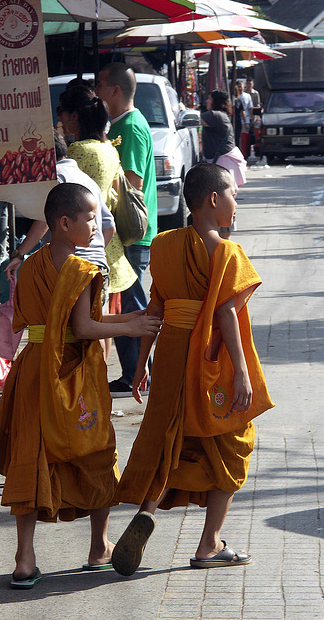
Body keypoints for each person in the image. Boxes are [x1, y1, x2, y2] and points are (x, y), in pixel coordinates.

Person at [0, 183, 162, 588]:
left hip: (33, 369)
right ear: (64, 223)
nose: (97, 225)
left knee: (32, 459)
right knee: (95, 452)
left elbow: (48, 324)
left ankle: (24, 560)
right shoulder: (82, 269)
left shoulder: (30, 265)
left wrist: (134, 320)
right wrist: (133, 325)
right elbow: (83, 327)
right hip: (72, 371)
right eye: (91, 217)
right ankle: (99, 548)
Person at [110, 163, 274, 577]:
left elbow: (156, 307)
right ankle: (209, 543)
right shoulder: (227, 252)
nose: (237, 204)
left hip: (169, 352)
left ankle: (148, 510)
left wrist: (142, 361)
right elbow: (226, 315)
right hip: (209, 359)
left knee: (175, 435)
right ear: (213, 200)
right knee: (233, 440)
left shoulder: (164, 244)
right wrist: (240, 371)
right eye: (233, 195)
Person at [57, 84, 137, 359]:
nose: (60, 120)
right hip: (105, 244)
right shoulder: (109, 149)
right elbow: (113, 197)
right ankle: (100, 384)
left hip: (81, 244)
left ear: (73, 116)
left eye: (61, 112)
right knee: (100, 318)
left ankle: (95, 388)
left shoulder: (76, 153)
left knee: (88, 325)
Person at [95, 62, 157, 397]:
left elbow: (132, 182)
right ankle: (136, 371)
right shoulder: (119, 124)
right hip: (122, 235)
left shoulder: (131, 127)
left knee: (133, 304)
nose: (96, 90)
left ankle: (139, 373)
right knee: (126, 302)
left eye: (100, 83)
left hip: (131, 233)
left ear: (115, 90)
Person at [5, 131, 114, 312]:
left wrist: (19, 254)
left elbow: (43, 221)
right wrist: (95, 254)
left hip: (75, 269)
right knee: (94, 327)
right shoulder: (87, 180)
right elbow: (110, 228)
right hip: (99, 267)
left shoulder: (56, 178)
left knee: (76, 329)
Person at [201, 88, 247, 239]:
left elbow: (196, 119)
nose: (207, 101)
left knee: (223, 203)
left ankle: (224, 244)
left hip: (222, 166)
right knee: (222, 203)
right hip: (222, 165)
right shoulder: (221, 116)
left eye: (209, 99)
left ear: (215, 101)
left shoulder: (215, 115)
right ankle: (222, 242)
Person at [235, 81, 253, 159]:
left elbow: (250, 108)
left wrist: (251, 119)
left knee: (244, 138)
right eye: (238, 86)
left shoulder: (247, 96)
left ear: (243, 87)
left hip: (246, 120)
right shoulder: (235, 98)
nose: (239, 88)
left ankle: (245, 154)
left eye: (241, 86)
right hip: (237, 120)